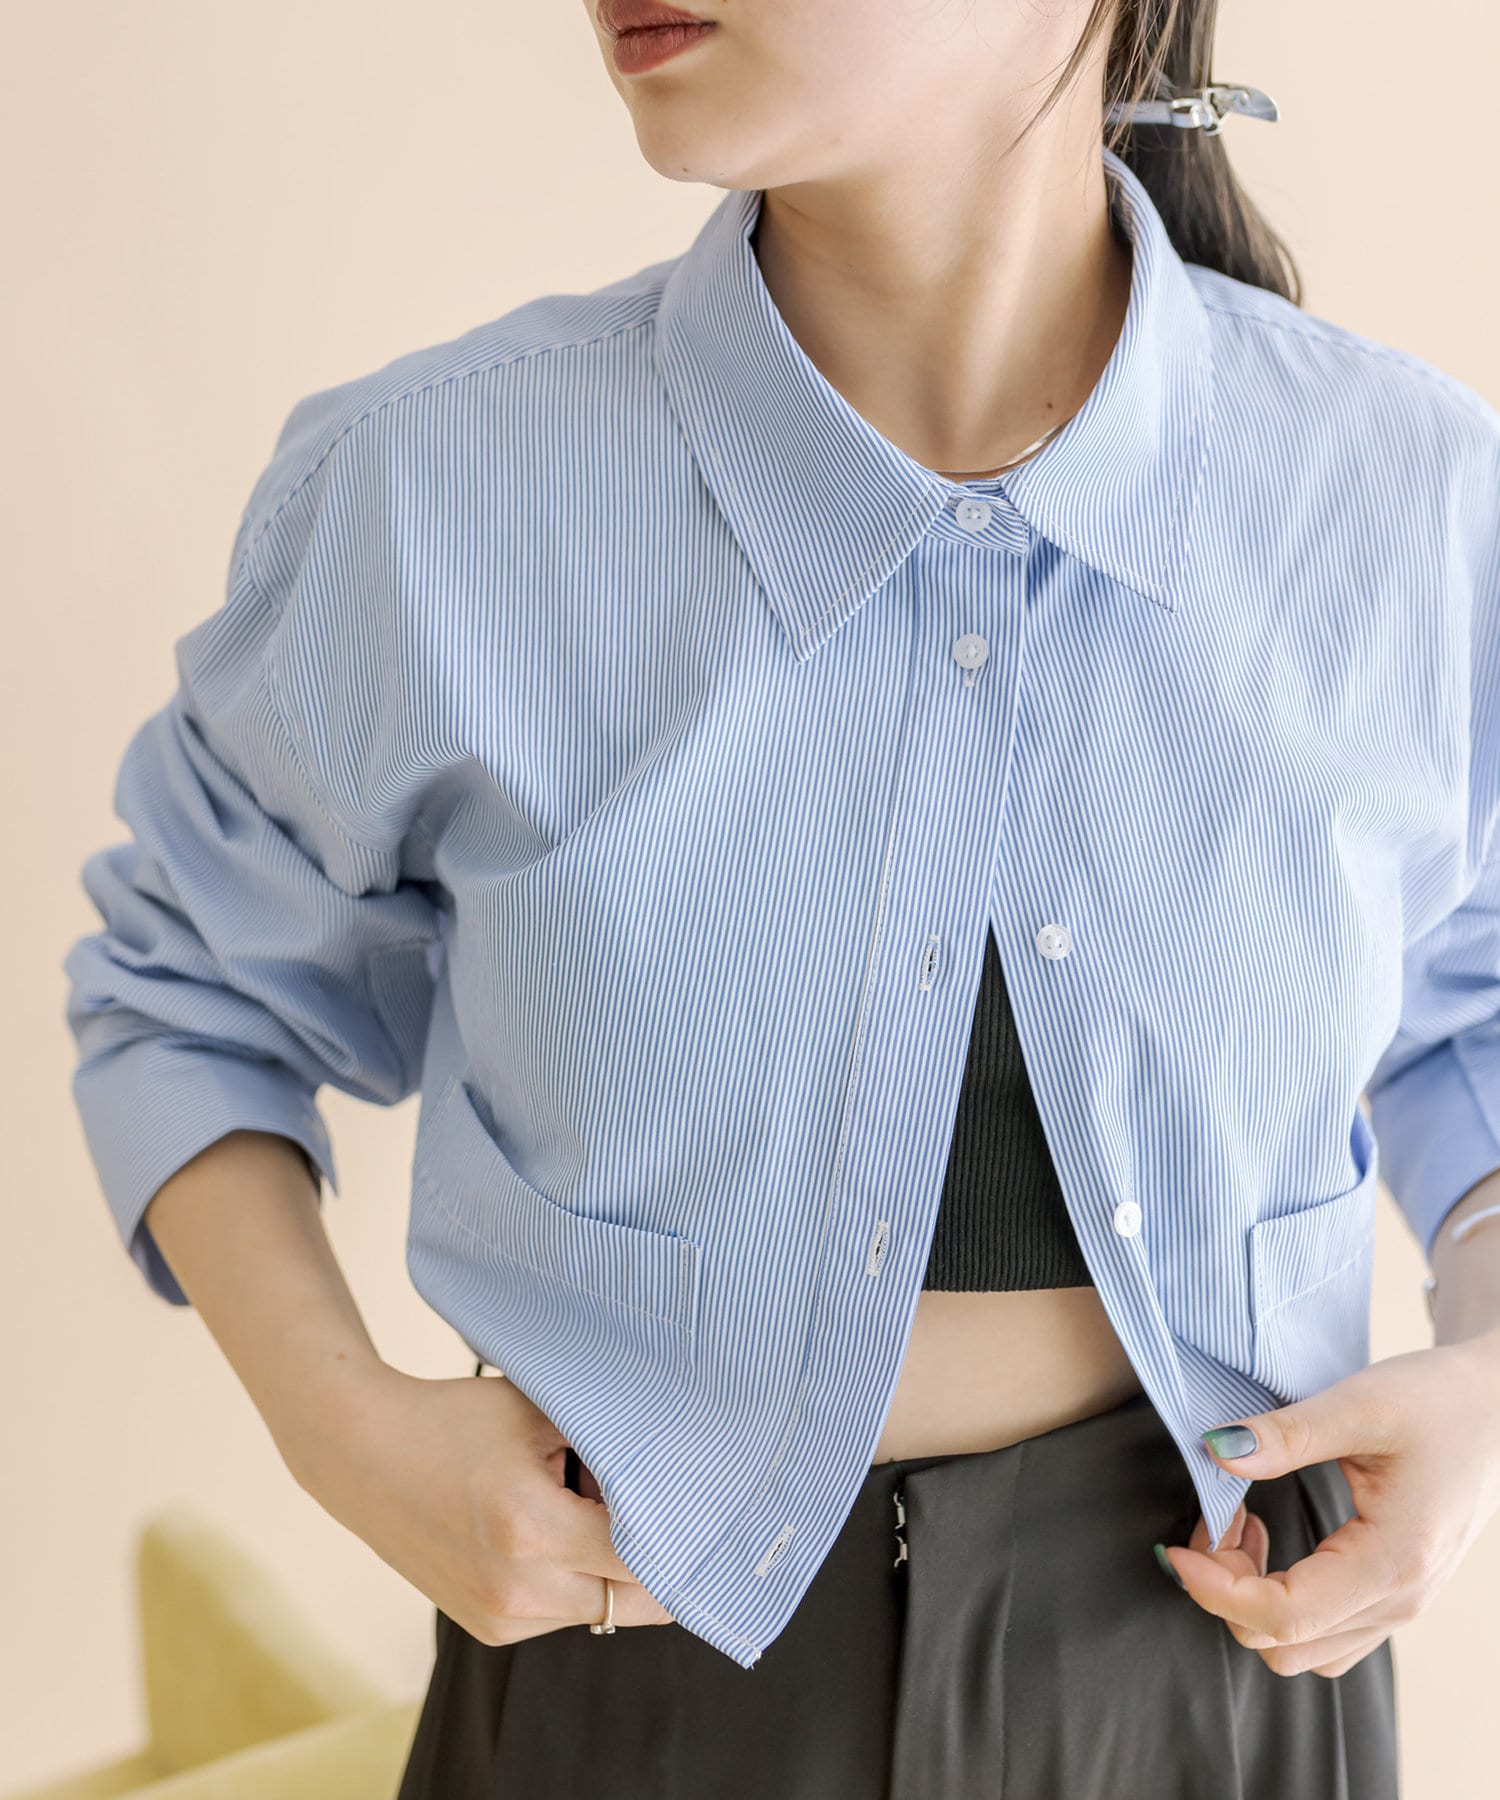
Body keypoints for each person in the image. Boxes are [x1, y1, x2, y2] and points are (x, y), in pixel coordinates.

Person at [61, 0, 1500, 1795]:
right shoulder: (435, 496)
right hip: (630, 1682)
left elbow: (1472, 1008)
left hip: (1234, 1682)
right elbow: (187, 998)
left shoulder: (1407, 499)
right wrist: (346, 1434)